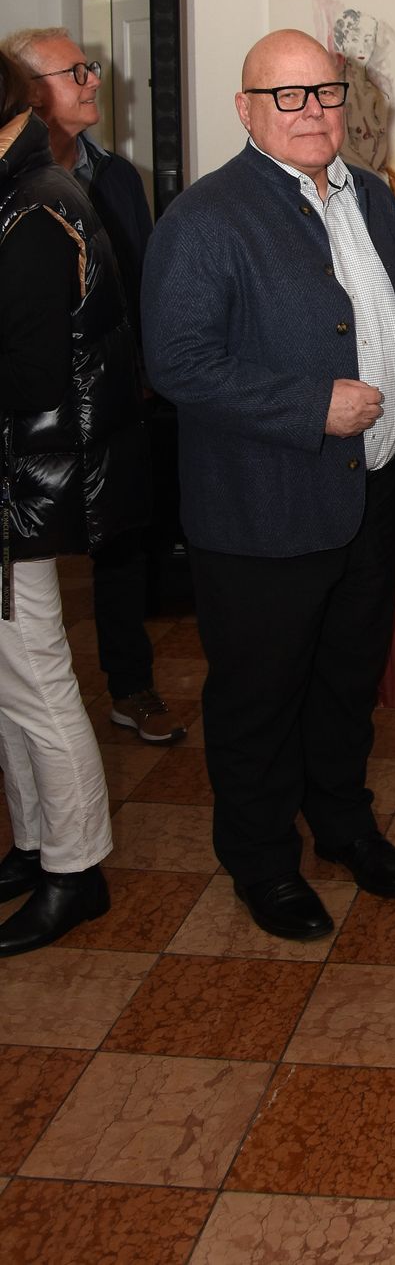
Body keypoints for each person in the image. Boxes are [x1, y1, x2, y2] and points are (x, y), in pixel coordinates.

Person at [142, 29, 395, 941]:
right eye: (288, 96)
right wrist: (312, 405)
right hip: (263, 509)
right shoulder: (206, 217)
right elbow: (176, 362)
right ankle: (261, 859)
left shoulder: (371, 198)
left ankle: (341, 823)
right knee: (259, 695)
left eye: (326, 93)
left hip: (366, 496)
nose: (313, 112)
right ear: (247, 109)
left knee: (345, 682)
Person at [0, 50, 148, 956]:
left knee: (36, 676)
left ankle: (76, 869)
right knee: (13, 680)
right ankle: (34, 843)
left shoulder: (35, 208)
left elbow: (27, 375)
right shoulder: (30, 191)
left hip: (26, 483)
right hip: (27, 476)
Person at [2, 26, 184, 747]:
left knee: (121, 546)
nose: (92, 81)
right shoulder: (24, 186)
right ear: (29, 90)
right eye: (74, 71)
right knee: (34, 598)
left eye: (91, 67)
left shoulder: (117, 177)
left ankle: (130, 686)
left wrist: (143, 379)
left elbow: (140, 287)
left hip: (112, 398)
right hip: (37, 417)